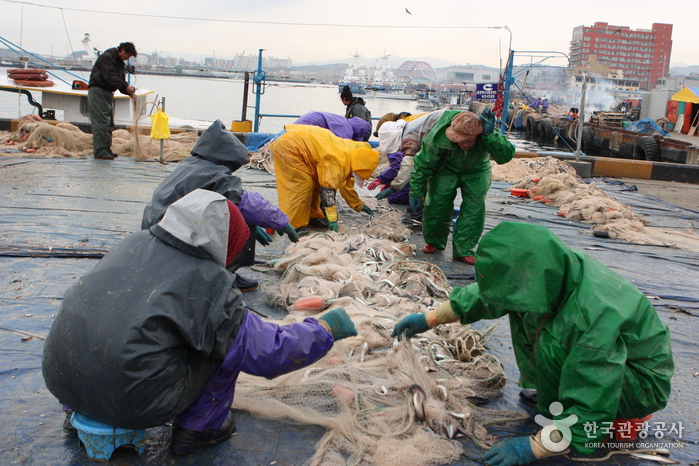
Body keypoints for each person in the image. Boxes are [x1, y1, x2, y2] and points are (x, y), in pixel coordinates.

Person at [42, 189, 358, 456]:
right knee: (226, 346)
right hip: (134, 401)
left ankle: (80, 411)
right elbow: (267, 354)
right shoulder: (209, 281)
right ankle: (201, 428)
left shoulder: (131, 243)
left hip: (62, 383)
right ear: (225, 237)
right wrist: (326, 327)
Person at [391, 221, 674, 466]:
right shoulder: (549, 267)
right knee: (534, 318)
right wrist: (431, 318)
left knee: (555, 345)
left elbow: (595, 390)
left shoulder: (591, 318)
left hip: (637, 380)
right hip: (594, 359)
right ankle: (559, 399)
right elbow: (493, 292)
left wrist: (536, 447)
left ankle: (618, 416)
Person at [142, 119, 299, 292]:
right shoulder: (215, 174)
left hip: (154, 231)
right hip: (175, 238)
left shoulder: (190, 165)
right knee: (241, 219)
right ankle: (221, 277)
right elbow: (247, 202)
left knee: (242, 215)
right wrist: (280, 222)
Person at [409, 109, 514, 265]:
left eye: (469, 141)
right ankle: (434, 241)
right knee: (437, 204)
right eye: (459, 140)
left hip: (477, 169)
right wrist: (416, 190)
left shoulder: (486, 131)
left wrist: (490, 135)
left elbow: (505, 156)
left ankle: (464, 250)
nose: (464, 145)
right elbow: (424, 162)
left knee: (474, 208)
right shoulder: (437, 136)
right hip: (446, 168)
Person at [269, 124, 378, 232]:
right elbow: (328, 191)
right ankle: (294, 225)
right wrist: (332, 220)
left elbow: (344, 185)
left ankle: (312, 217)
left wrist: (358, 205)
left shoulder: (348, 159)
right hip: (290, 147)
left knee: (315, 184)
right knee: (302, 185)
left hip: (299, 146)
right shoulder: (338, 162)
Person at [374, 110, 446, 206]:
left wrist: (394, 187)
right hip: (445, 124)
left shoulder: (409, 138)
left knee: (441, 179)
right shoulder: (410, 126)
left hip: (448, 128)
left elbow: (409, 164)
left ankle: (433, 209)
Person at [88, 42, 138, 160]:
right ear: (122, 50)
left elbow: (119, 80)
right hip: (98, 91)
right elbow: (110, 77)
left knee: (109, 122)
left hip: (108, 93)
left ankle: (106, 149)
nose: (127, 59)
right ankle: (100, 151)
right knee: (101, 123)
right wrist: (126, 87)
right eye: (128, 55)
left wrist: (128, 91)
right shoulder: (108, 57)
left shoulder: (119, 63)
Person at [293, 111, 371, 141]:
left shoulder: (343, 120)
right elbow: (342, 149)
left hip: (304, 120)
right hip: (308, 126)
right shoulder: (346, 129)